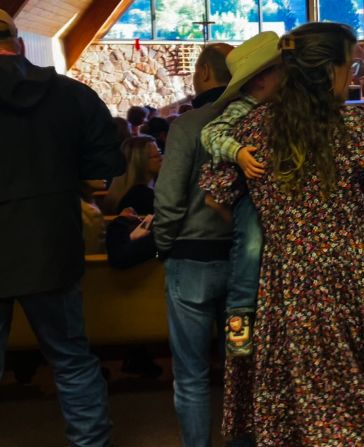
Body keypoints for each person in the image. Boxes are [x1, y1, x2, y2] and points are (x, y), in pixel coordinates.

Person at [200, 23, 364, 444]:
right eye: (348, 65)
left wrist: (277, 217)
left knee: (296, 394)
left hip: (289, 282)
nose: (351, 75)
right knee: (357, 391)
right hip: (350, 276)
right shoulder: (353, 128)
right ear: (330, 70)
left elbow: (215, 199)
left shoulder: (254, 129)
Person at [0, 6, 124, 446]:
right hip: (51, 249)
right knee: (73, 363)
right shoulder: (70, 96)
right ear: (19, 44)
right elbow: (103, 171)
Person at [152, 42, 238, 447]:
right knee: (243, 370)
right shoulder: (256, 121)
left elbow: (168, 198)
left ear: (203, 73)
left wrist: (165, 245)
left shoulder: (188, 125)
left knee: (191, 374)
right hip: (244, 263)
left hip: (192, 261)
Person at [199, 31, 283, 356]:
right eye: (279, 70)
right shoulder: (242, 108)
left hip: (267, 187)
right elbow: (211, 132)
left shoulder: (279, 107)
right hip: (246, 188)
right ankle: (238, 326)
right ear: (260, 80)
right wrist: (238, 152)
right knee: (250, 245)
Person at [103, 135, 162, 214]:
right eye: (156, 156)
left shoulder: (128, 192)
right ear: (141, 162)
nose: (161, 158)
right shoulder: (142, 197)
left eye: (160, 153)